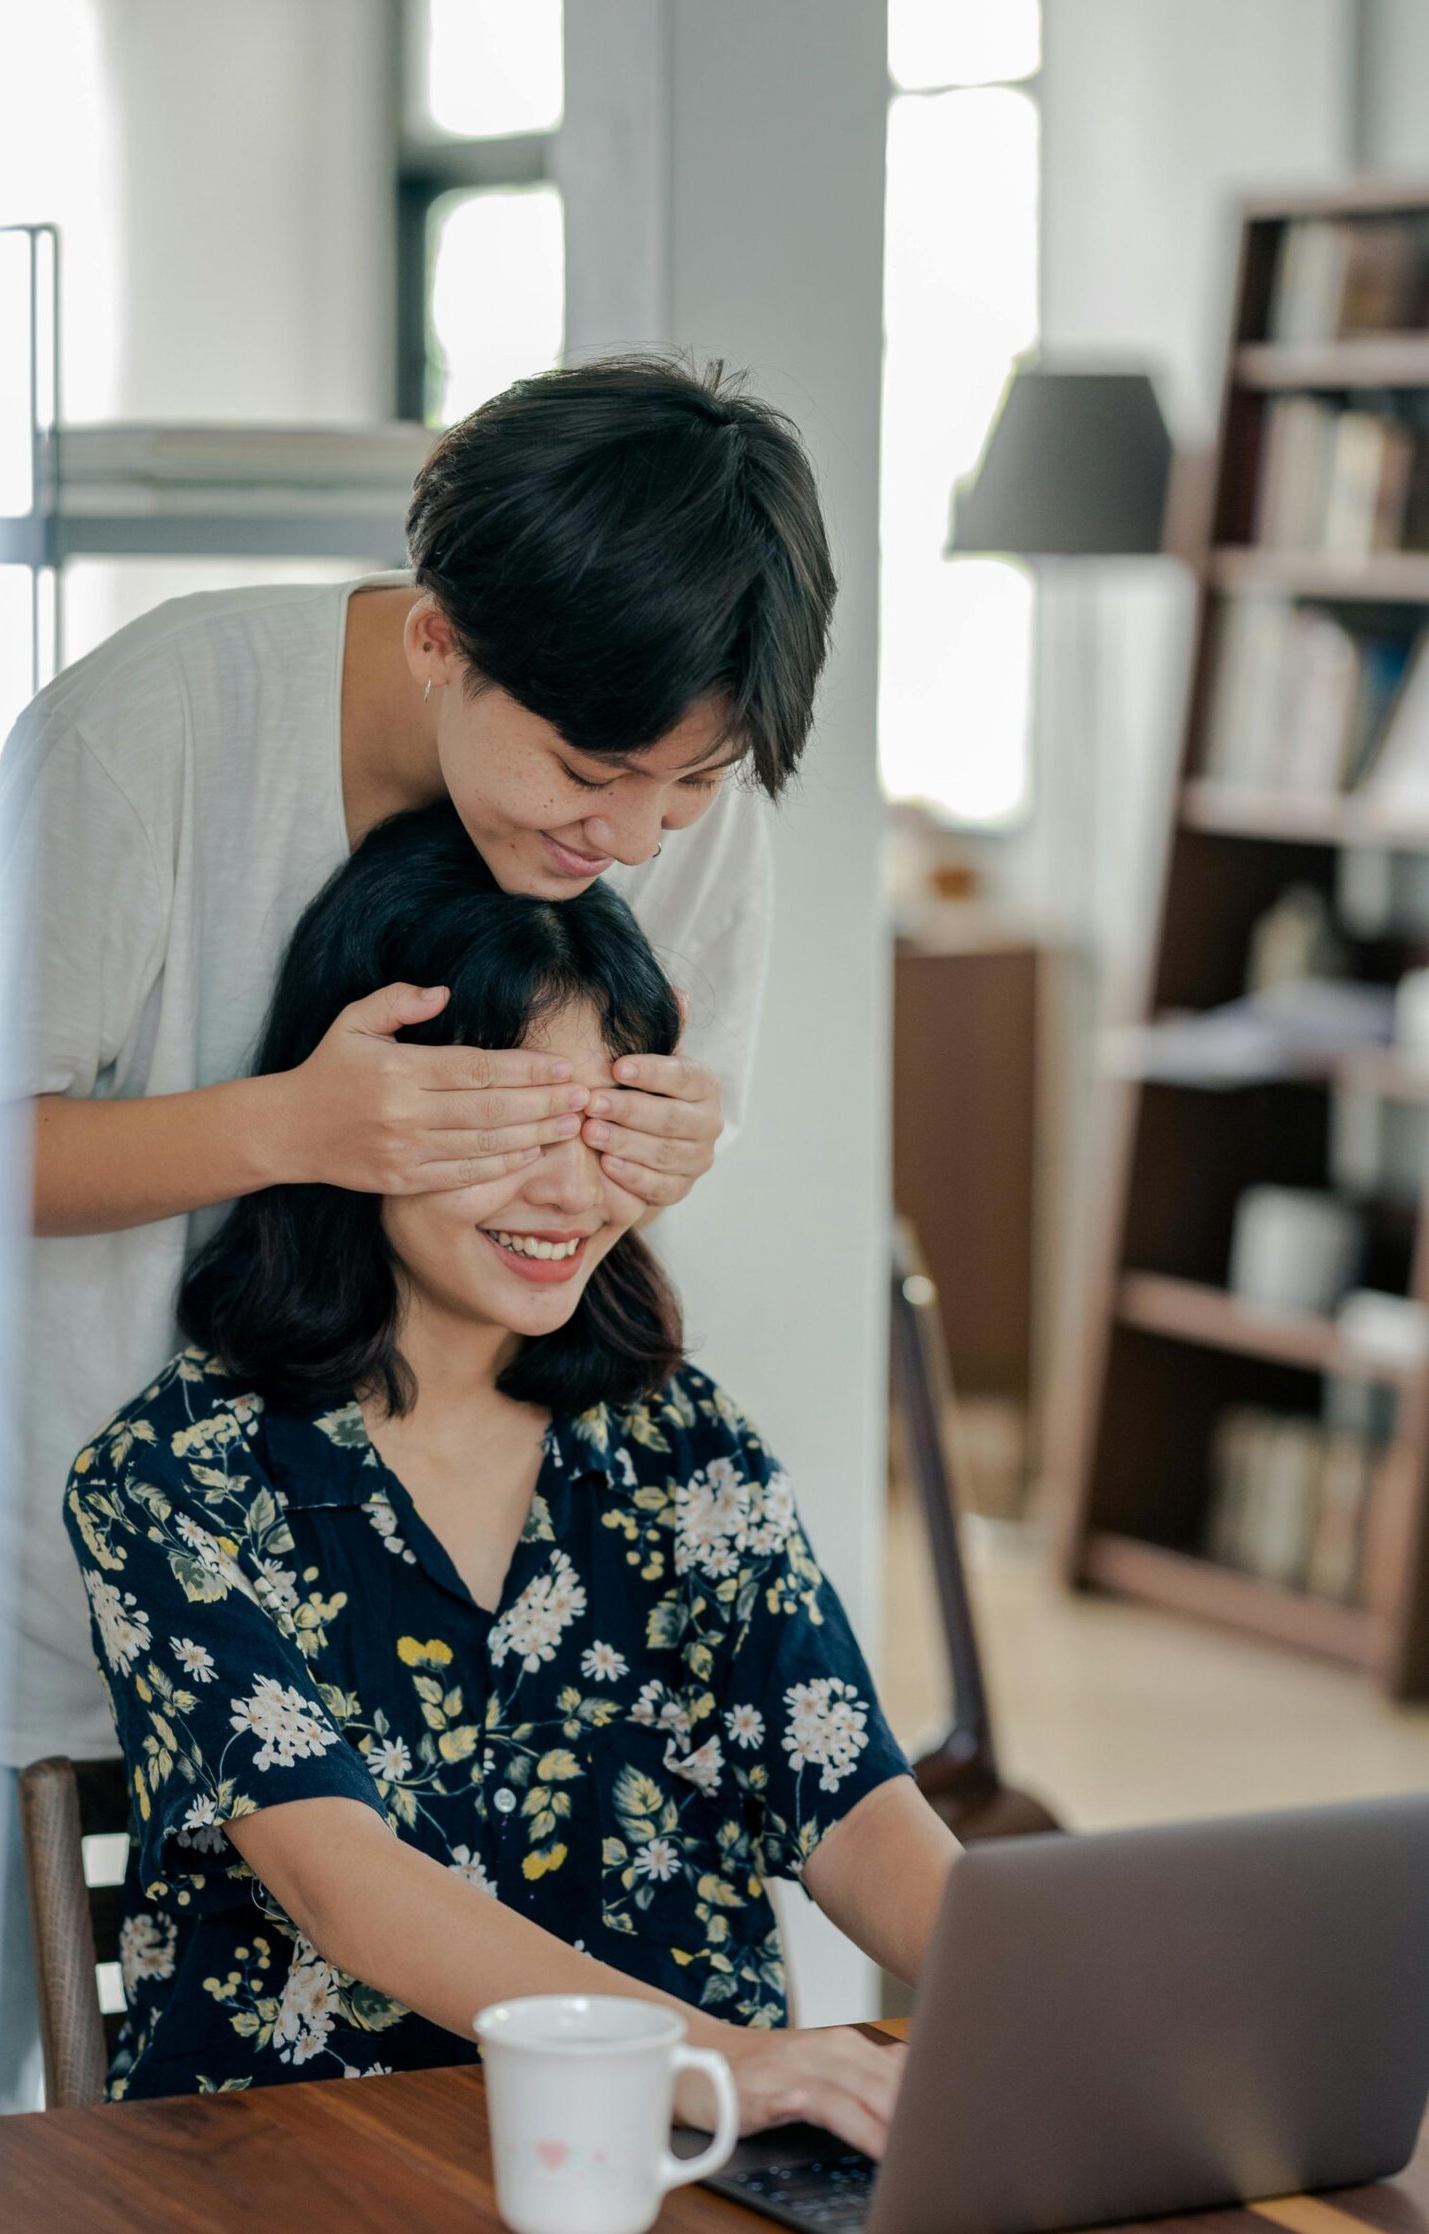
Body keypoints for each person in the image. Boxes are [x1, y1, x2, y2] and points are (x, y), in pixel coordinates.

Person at [64, 805, 959, 2153]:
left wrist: (1043, 1995)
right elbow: (348, 1885)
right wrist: (727, 2063)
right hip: (309, 2199)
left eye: (607, 1126)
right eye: (508, 1123)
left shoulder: (683, 1446)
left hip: (688, 2176)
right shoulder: (172, 1480)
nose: (567, 1190)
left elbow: (854, 1802)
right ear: (367, 1113)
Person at [0, 354, 837, 1770]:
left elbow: (604, 1172)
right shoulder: (154, 736)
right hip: (63, 1593)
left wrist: (655, 1157)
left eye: (691, 787)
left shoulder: (677, 800)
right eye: (586, 770)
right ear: (439, 639)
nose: (632, 843)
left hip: (411, 1628)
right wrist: (295, 1127)